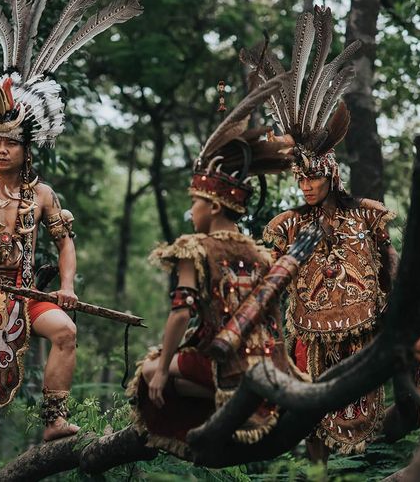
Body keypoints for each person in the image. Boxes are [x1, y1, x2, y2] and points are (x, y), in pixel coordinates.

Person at [0, 0, 142, 477]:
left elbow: (64, 242)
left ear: (29, 147)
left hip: (27, 293)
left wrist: (67, 285)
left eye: (10, 143)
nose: (1, 150)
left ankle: (56, 420)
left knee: (66, 330)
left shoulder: (43, 194)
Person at [244, 6, 420, 460]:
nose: (307, 185)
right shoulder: (288, 224)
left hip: (373, 329)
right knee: (313, 421)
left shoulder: (369, 215)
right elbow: (269, 280)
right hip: (312, 340)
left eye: (314, 177)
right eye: (300, 179)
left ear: (331, 174)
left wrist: (414, 311)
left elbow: (393, 267)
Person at [128, 75, 307, 457]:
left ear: (212, 206)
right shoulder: (262, 254)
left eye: (194, 202)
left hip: (225, 365)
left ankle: (211, 408)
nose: (190, 211)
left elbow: (180, 314)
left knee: (148, 371)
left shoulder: (194, 247)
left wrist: (162, 371)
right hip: (273, 366)